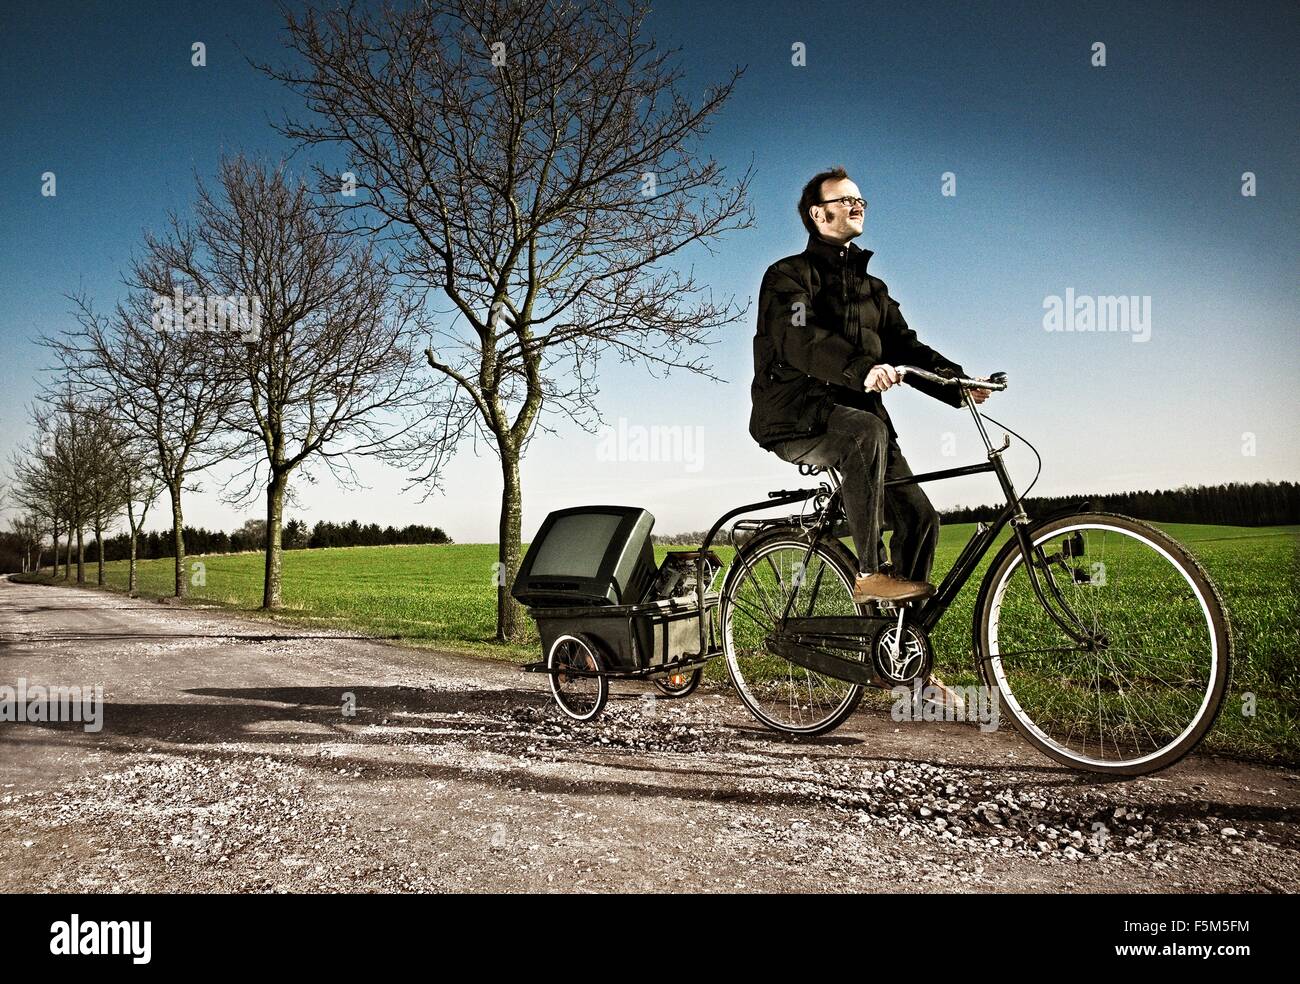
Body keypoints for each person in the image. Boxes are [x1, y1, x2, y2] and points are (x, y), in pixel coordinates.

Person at [749, 166, 994, 603]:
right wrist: (860, 367)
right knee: (865, 432)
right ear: (817, 215)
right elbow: (798, 337)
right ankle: (868, 573)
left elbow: (904, 346)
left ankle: (899, 653)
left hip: (860, 418)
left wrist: (956, 383)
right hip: (796, 415)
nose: (856, 204)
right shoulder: (787, 276)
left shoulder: (872, 290)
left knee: (920, 517)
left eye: (859, 199)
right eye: (844, 200)